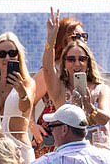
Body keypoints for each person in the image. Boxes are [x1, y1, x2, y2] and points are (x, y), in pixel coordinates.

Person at [43, 8, 110, 149]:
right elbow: (48, 69)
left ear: (88, 63)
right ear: (64, 64)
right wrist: (51, 39)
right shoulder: (60, 90)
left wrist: (88, 106)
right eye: (71, 59)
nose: (77, 63)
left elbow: (104, 118)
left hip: (101, 155)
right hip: (71, 155)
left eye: (82, 59)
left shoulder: (101, 89)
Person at [33, 16, 87, 156]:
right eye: (75, 36)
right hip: (51, 131)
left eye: (83, 36)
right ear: (64, 39)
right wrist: (33, 126)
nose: (80, 40)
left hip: (78, 130)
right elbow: (28, 101)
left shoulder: (86, 68)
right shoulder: (52, 70)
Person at [0, 32, 35, 163]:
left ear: (18, 56)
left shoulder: (27, 83)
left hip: (20, 148)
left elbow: (25, 108)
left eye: (12, 53)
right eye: (2, 54)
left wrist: (21, 91)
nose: (7, 57)